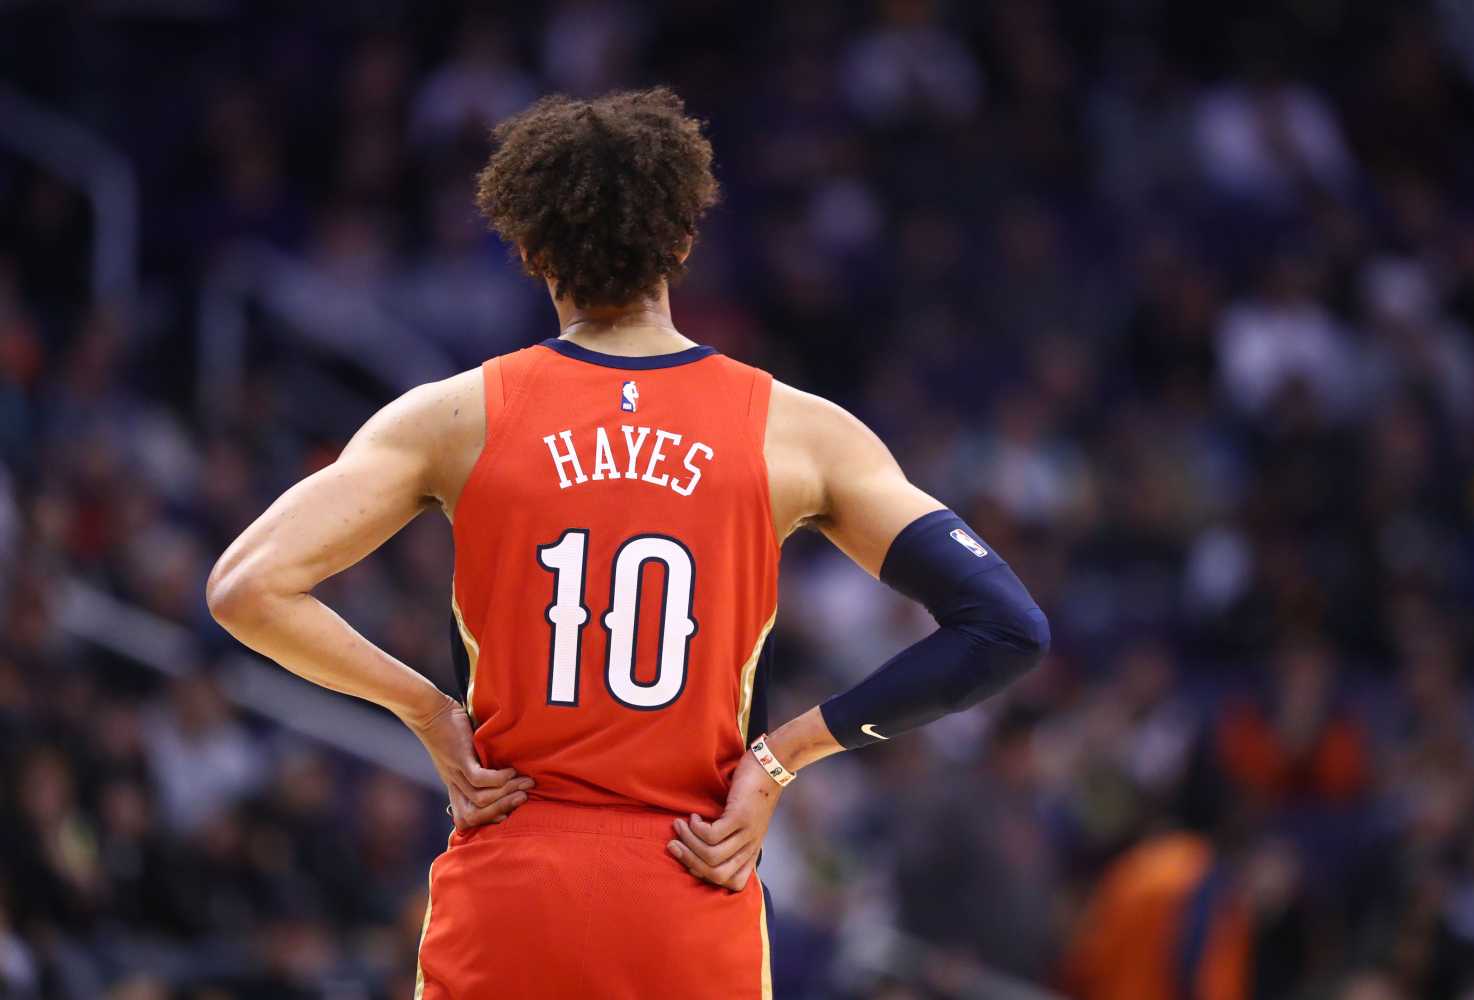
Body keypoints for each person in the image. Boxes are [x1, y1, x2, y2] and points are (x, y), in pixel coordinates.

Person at [206, 87, 1050, 999]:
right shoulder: (799, 433)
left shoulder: (454, 417)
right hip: (693, 874)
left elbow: (246, 588)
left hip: (512, 883)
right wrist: (782, 757)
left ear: (532, 252)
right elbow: (1005, 626)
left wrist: (429, 713)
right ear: (682, 241)